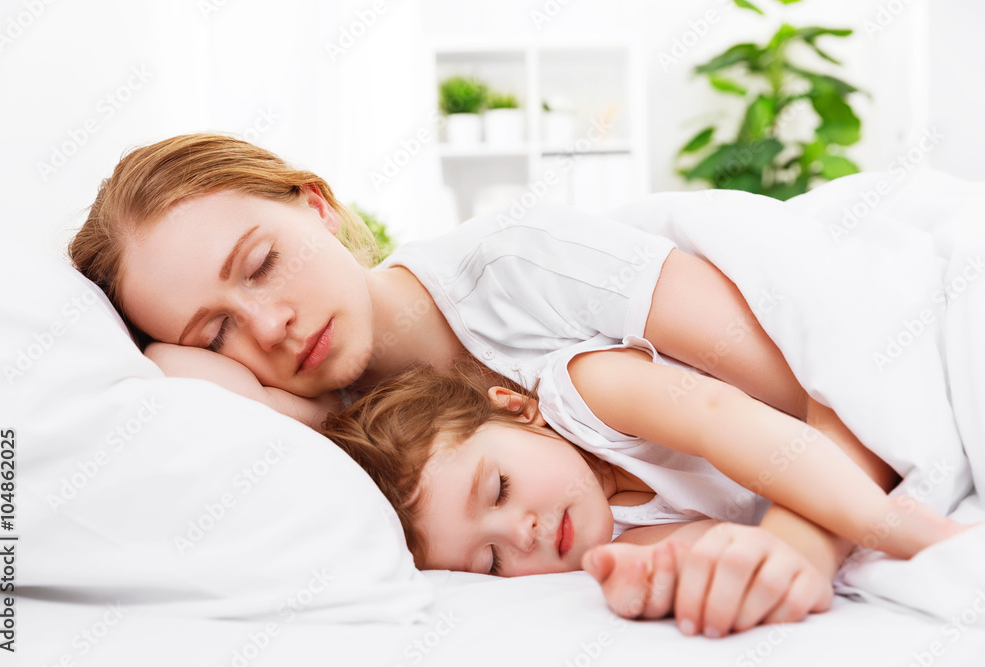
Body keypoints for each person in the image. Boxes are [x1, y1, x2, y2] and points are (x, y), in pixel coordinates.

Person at [69, 132, 903, 637]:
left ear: (318, 207)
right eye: (216, 329)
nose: (269, 327)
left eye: (261, 262)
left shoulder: (519, 261)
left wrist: (796, 550)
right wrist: (303, 398)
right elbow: (171, 382)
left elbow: (834, 379)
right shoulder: (378, 448)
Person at [319, 362, 969, 635]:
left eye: (500, 488)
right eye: (490, 562)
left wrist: (888, 526)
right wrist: (660, 577)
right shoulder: (609, 539)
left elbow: (720, 414)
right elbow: (715, 545)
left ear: (517, 409)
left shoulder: (589, 392)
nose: (521, 533)